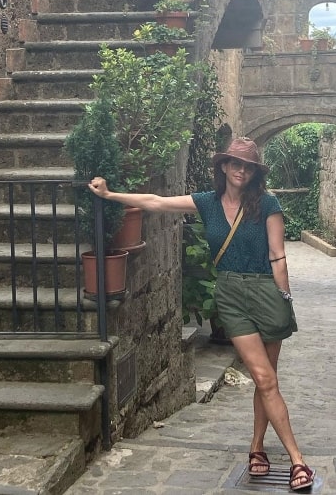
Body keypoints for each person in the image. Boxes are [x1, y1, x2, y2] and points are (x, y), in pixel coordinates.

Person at [88, 137, 315, 491]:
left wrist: (284, 297)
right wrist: (109, 195)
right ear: (223, 166)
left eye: (248, 166)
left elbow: (277, 254)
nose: (241, 170)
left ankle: (256, 449)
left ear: (254, 172)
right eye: (235, 164)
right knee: (264, 377)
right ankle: (298, 460)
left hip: (266, 291)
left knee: (266, 379)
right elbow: (155, 201)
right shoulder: (206, 203)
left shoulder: (267, 203)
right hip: (231, 295)